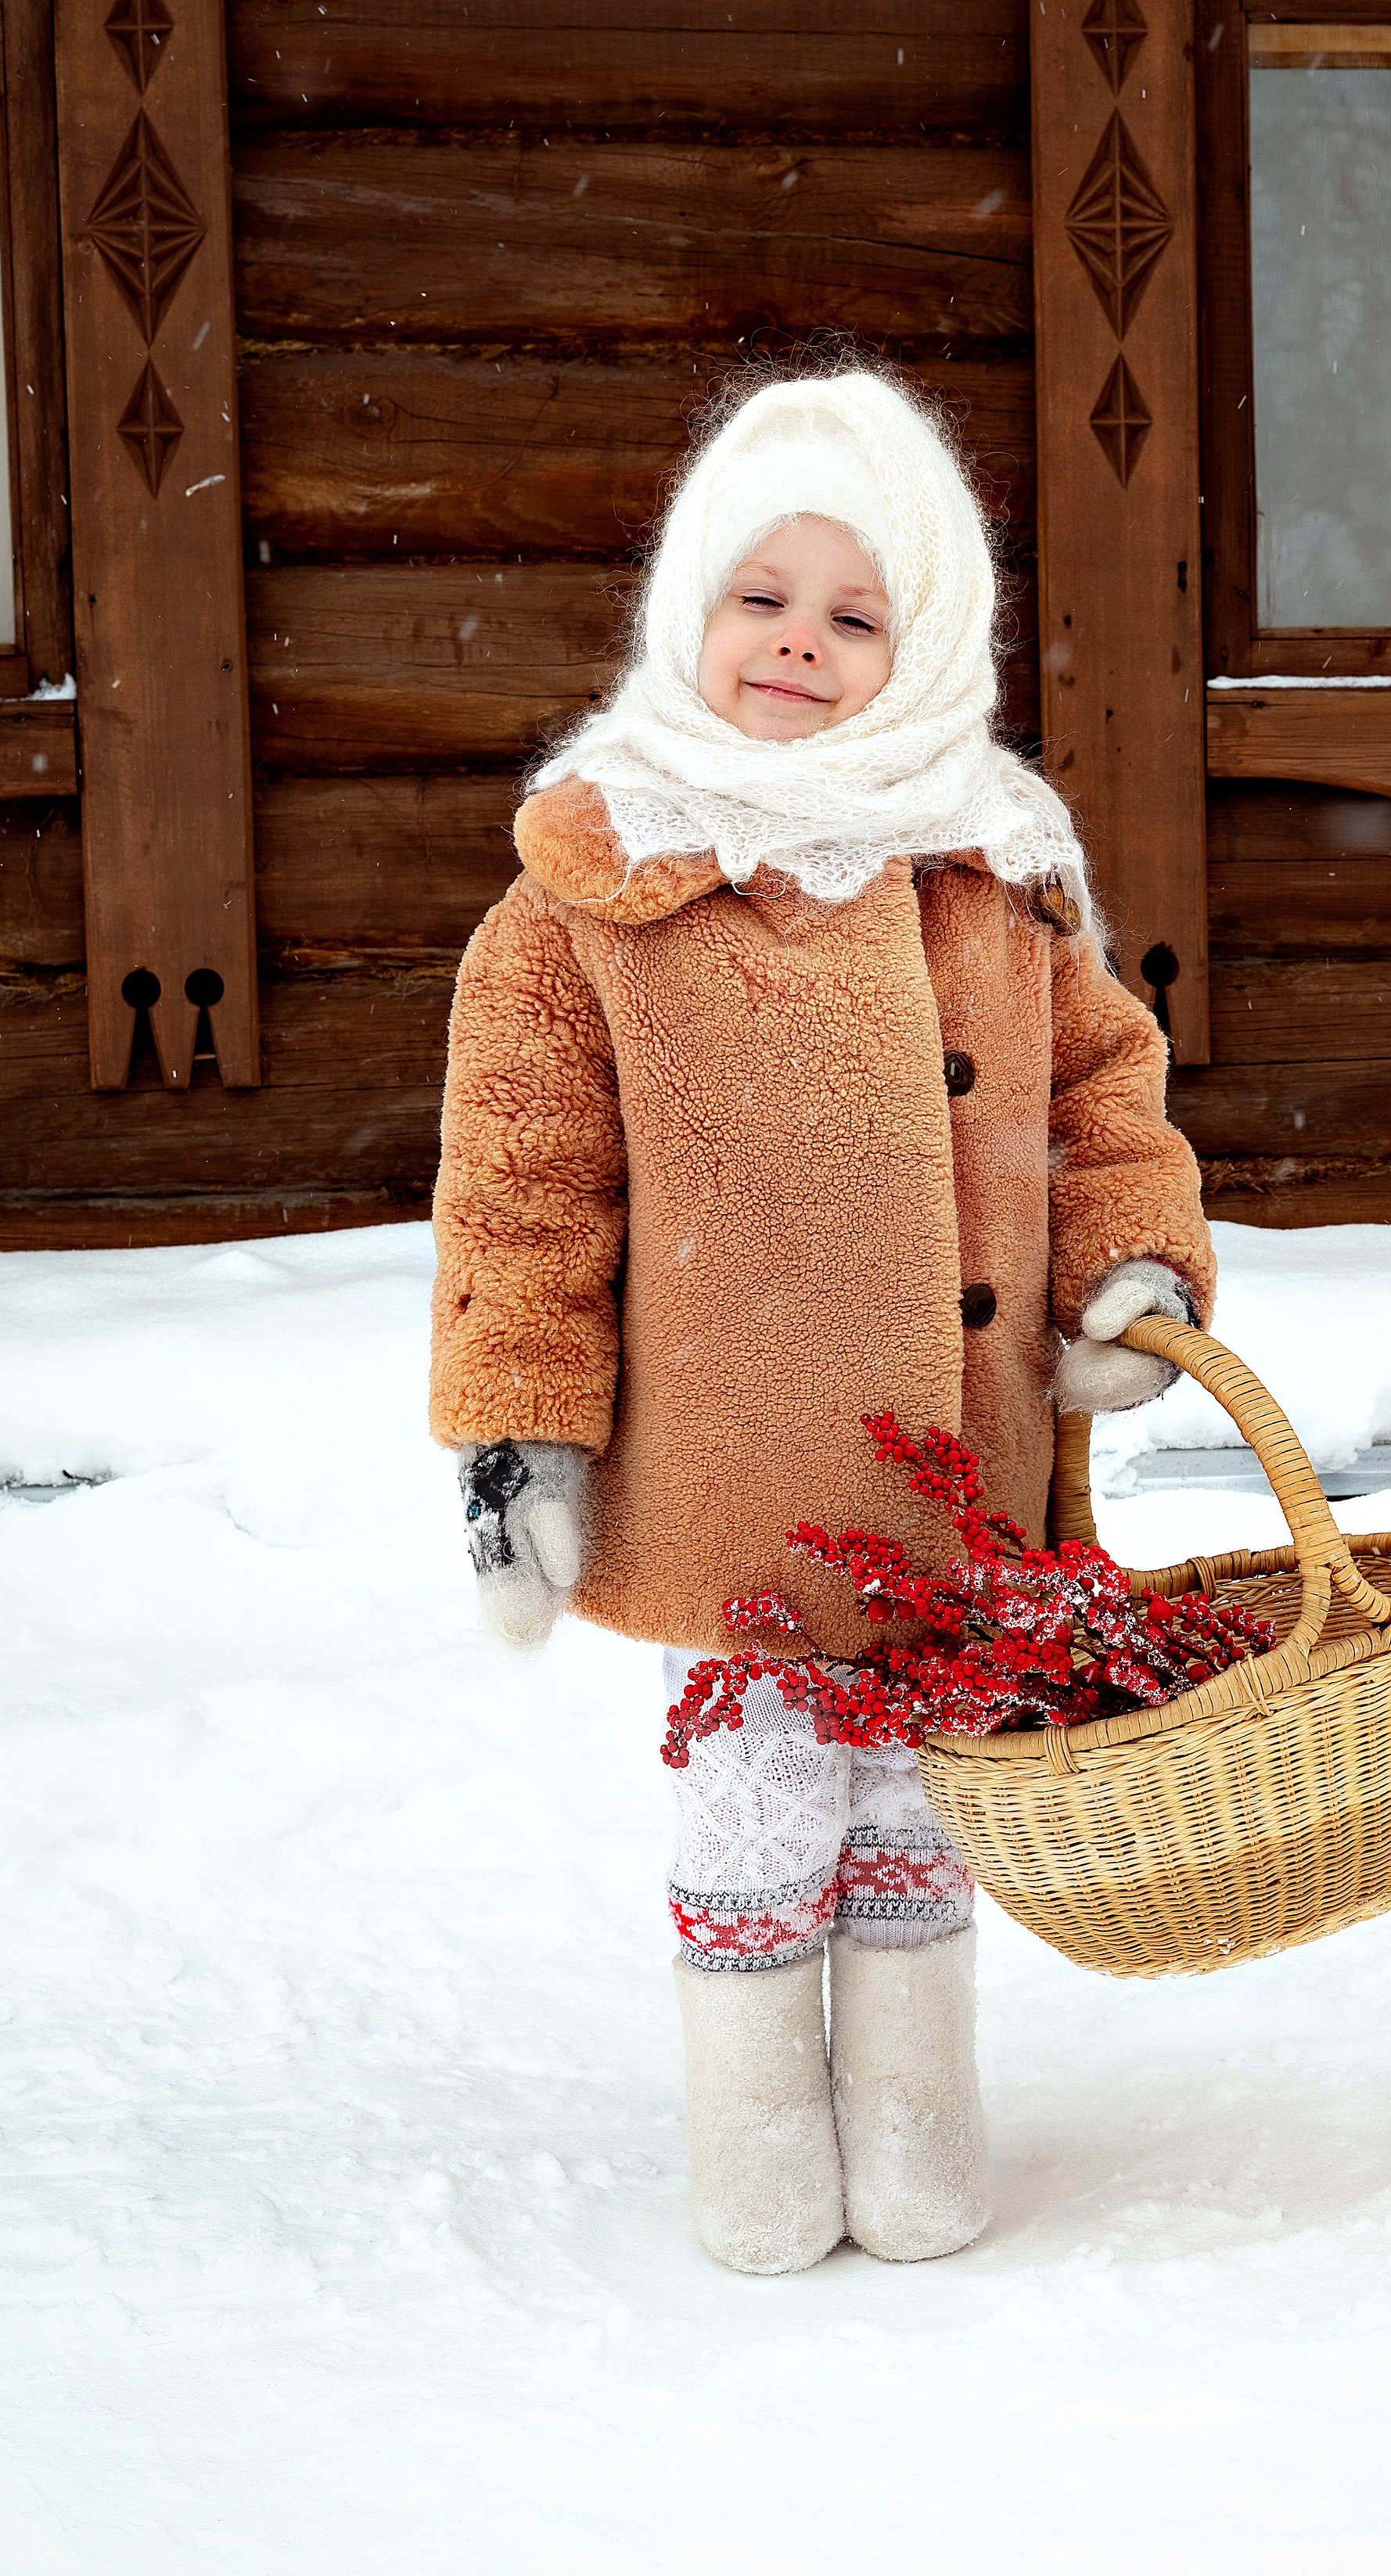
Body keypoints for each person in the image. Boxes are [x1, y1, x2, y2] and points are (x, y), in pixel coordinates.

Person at [429, 368, 1213, 2276]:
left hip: (956, 1463)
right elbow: (523, 1181)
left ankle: (919, 2124)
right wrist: (515, 1422)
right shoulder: (598, 884)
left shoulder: (992, 864)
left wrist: (1131, 1271)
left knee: (917, 1801)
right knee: (763, 1782)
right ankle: (761, 2143)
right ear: (687, 607)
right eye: (757, 594)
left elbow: (1108, 1092)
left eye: (855, 613)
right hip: (738, 1474)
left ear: (925, 640)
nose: (796, 640)